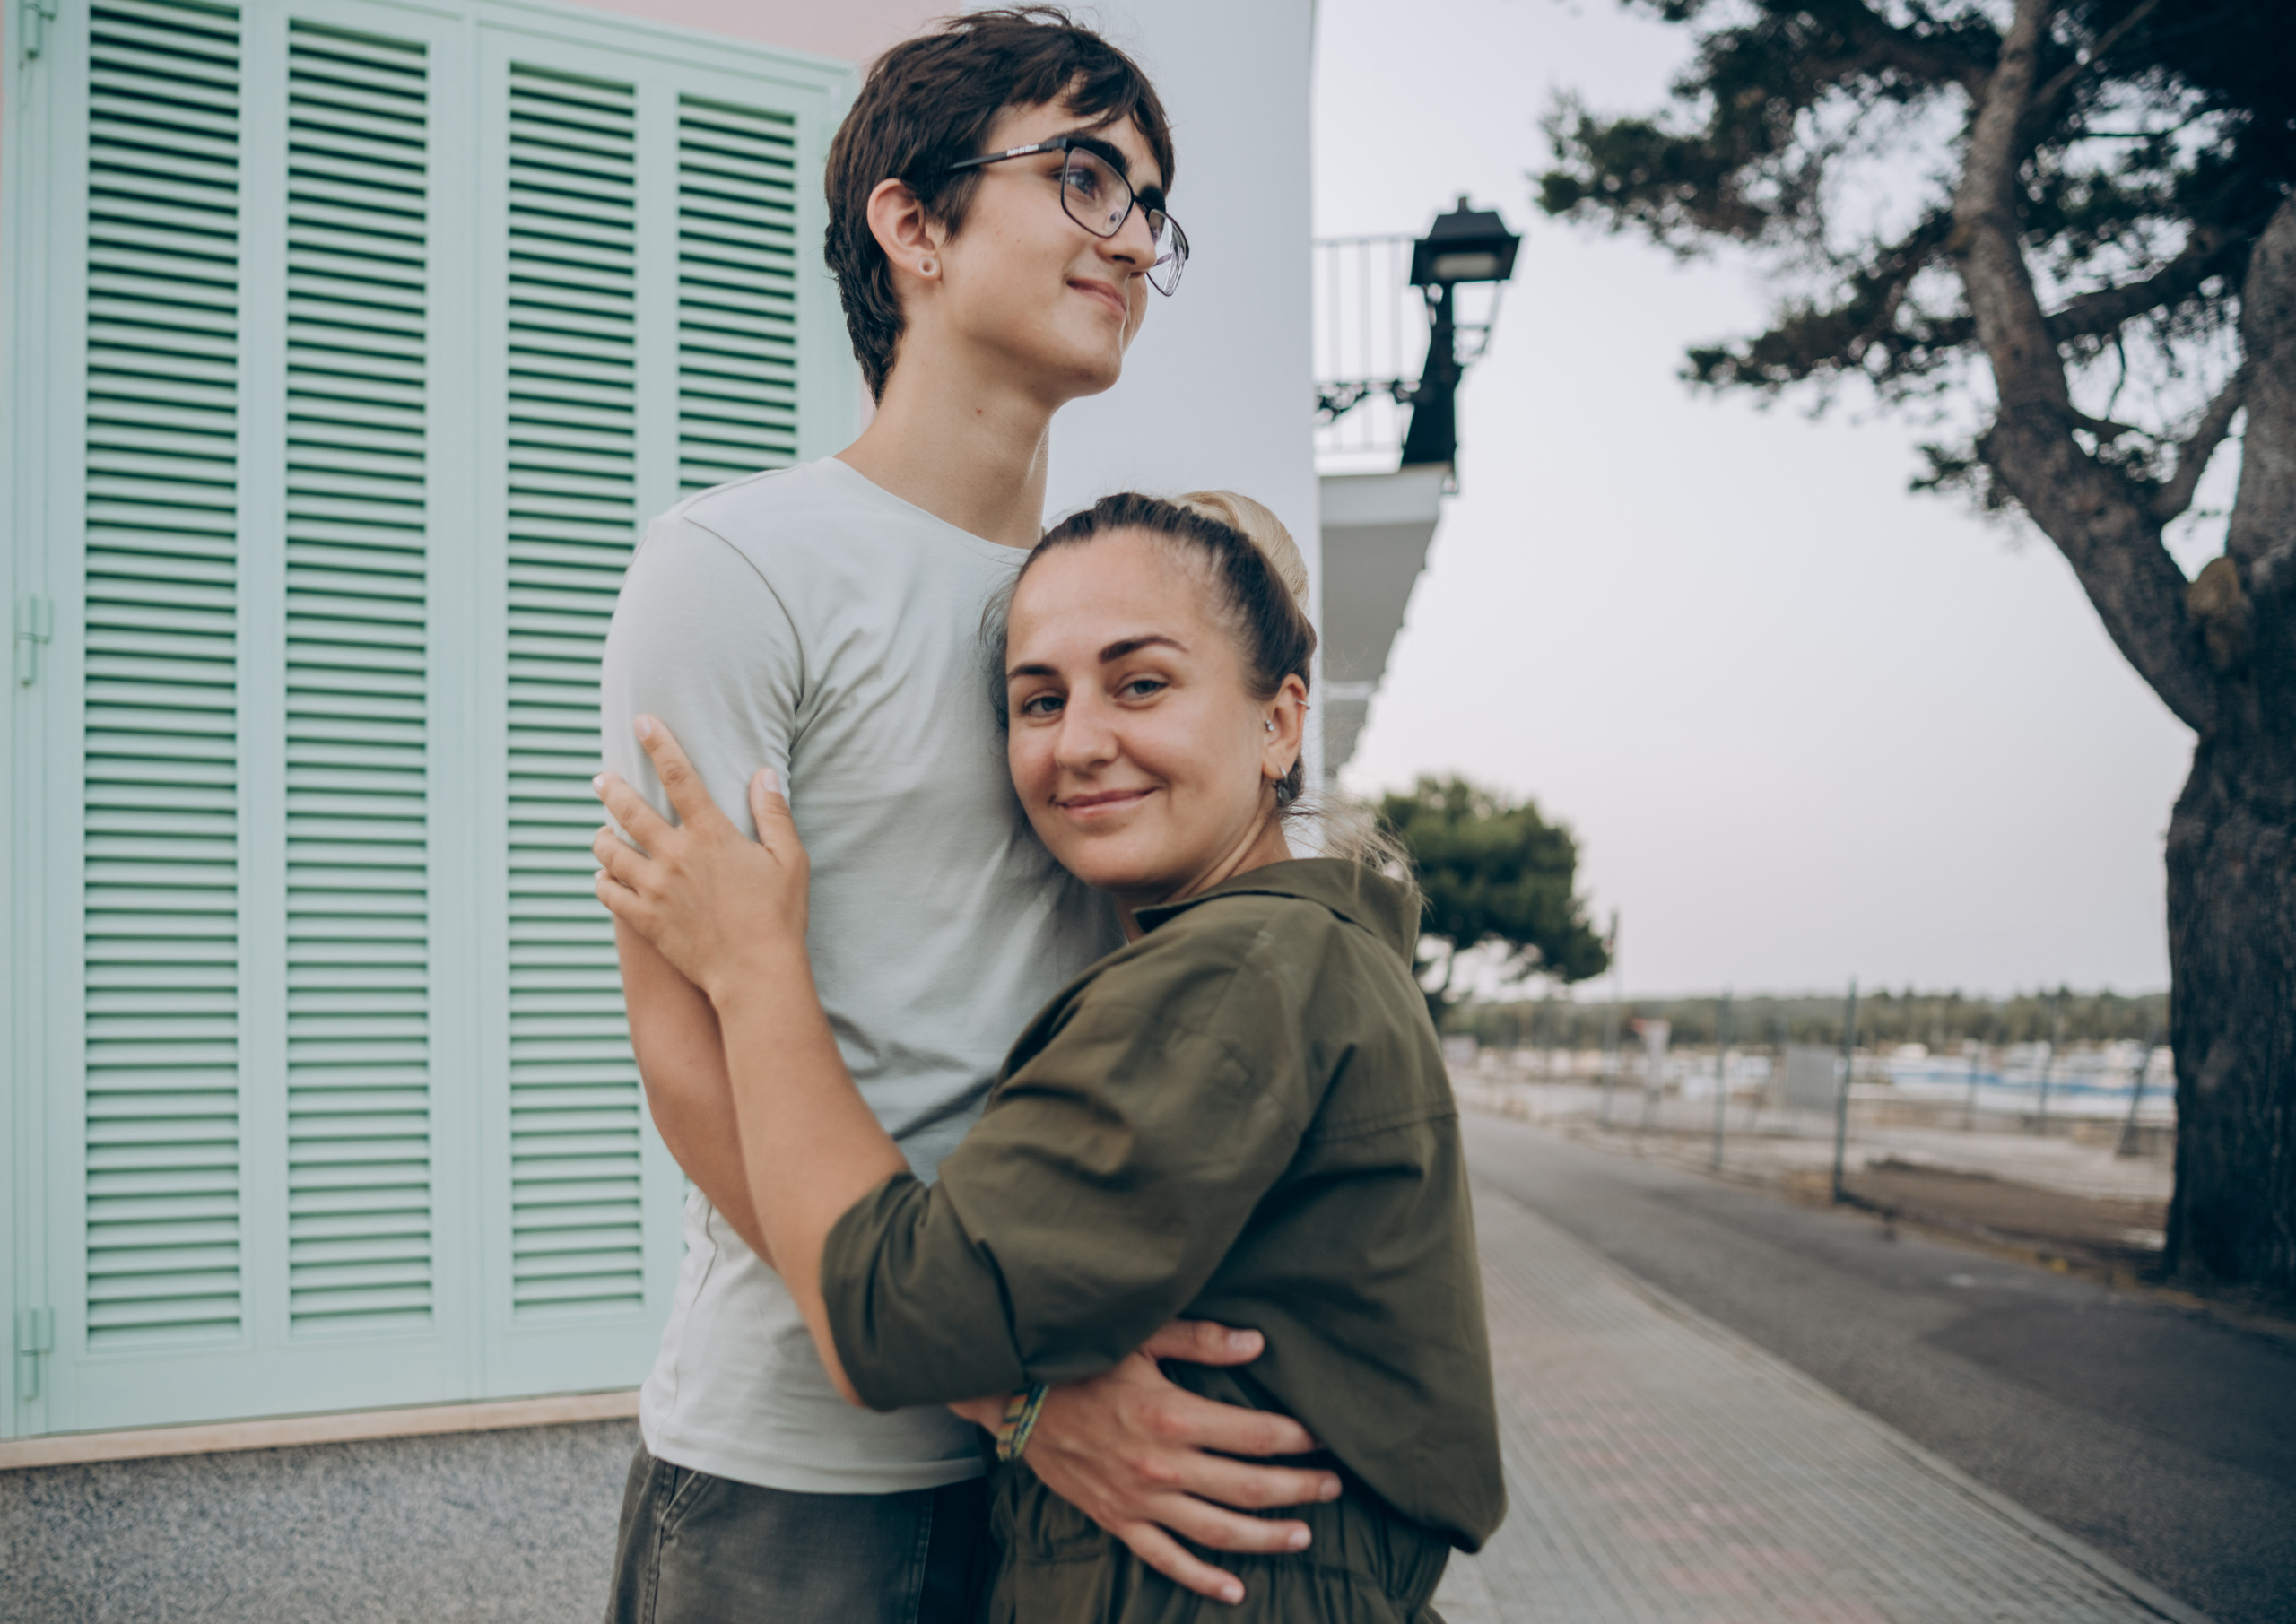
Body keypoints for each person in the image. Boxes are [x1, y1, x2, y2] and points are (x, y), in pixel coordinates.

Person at [596, 12, 1339, 1623]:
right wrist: (1011, 1396)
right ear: (913, 224)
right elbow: (685, 1051)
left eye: (1149, 203)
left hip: (1077, 1482)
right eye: (1083, 176)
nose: (1133, 237)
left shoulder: (1109, 622)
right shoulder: (736, 567)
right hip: (800, 1465)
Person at [593, 492, 1507, 1620]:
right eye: (1039, 700)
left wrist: (756, 960)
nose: (1078, 742)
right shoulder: (1296, 951)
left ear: (1279, 723)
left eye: (1141, 683)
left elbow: (895, 1315)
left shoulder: (1234, 973)